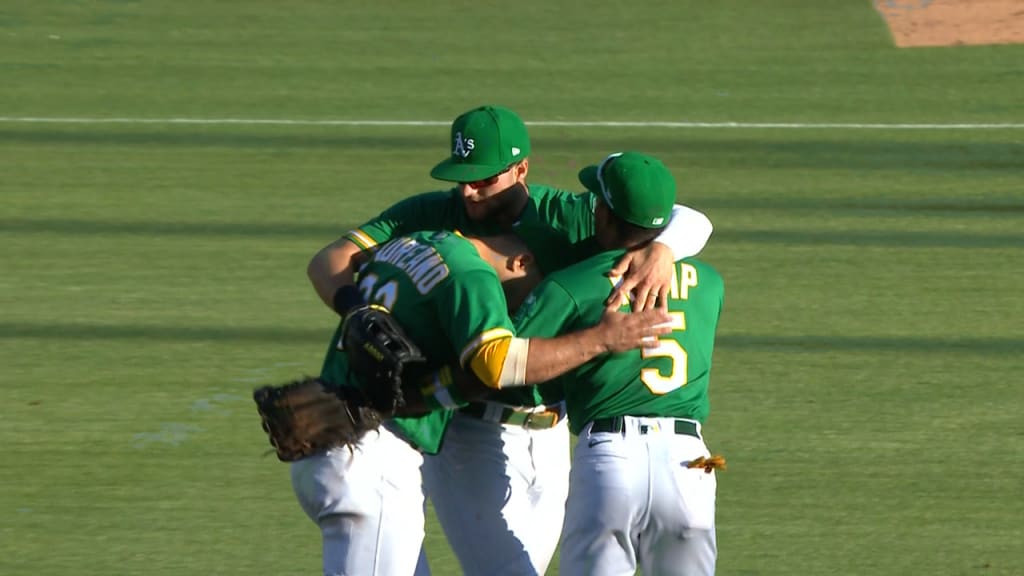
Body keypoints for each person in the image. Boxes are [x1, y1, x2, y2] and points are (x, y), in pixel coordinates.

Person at [306, 104, 714, 575]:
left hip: (553, 432)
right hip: (472, 428)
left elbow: (686, 217)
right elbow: (330, 259)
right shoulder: (427, 214)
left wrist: (664, 248)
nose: (467, 190)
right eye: (460, 175)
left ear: (521, 169)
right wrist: (356, 309)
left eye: (483, 179)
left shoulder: (569, 214)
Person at [290, 229, 671, 576]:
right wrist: (601, 340)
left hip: (333, 441)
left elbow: (331, 261)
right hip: (372, 460)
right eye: (535, 293)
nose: (524, 315)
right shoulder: (471, 276)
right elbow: (498, 363)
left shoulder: (410, 244)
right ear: (522, 263)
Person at [511, 152, 725, 576]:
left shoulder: (569, 285)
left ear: (605, 214)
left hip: (610, 461)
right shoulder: (710, 283)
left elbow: (510, 366)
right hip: (690, 466)